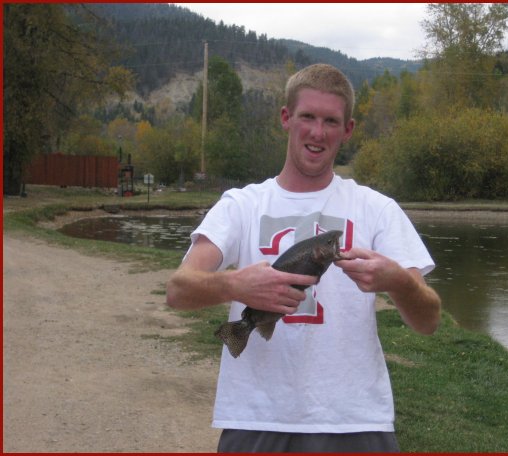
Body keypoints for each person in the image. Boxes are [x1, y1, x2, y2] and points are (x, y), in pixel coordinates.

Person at [166, 63, 441, 453]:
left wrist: (398, 281)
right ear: (286, 118)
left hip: (356, 421)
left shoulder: (377, 209)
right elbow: (178, 291)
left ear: (348, 130)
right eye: (308, 116)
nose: (317, 132)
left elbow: (429, 321)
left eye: (331, 121)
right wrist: (234, 284)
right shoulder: (241, 205)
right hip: (255, 418)